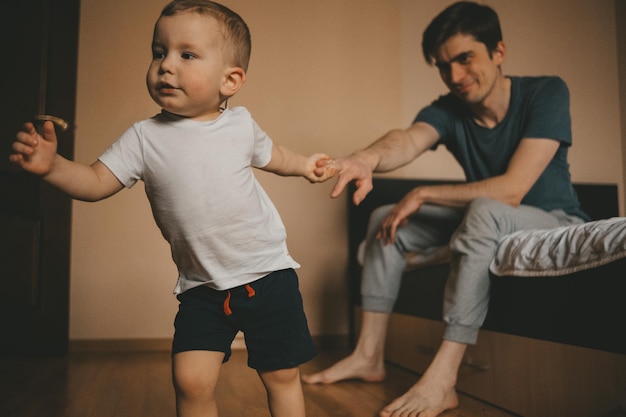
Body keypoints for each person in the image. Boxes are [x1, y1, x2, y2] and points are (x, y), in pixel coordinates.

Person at [10, 1, 335, 416]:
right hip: (202, 288)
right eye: (158, 52)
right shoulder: (144, 137)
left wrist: (306, 165)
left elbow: (275, 156)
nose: (165, 66)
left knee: (281, 374)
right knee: (190, 379)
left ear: (230, 80)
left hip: (267, 274)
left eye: (186, 55)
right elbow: (94, 183)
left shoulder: (239, 126)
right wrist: (52, 166)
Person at [303, 2, 589, 416]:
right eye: (442, 66)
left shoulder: (547, 92)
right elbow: (406, 139)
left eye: (465, 58)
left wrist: (424, 192)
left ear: (499, 52)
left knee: (486, 210)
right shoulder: (450, 111)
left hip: (553, 221)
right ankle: (369, 355)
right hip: (489, 215)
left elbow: (512, 190)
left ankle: (443, 379)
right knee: (386, 218)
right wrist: (365, 158)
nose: (454, 76)